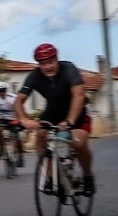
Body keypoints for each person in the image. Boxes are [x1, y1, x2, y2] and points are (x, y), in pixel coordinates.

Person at [14, 43, 95, 196]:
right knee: (41, 136)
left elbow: (79, 95)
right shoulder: (35, 76)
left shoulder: (68, 69)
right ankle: (50, 177)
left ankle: (87, 176)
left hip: (77, 111)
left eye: (51, 62)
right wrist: (24, 119)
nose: (47, 67)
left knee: (79, 144)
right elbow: (18, 101)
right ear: (39, 65)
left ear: (57, 59)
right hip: (53, 112)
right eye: (43, 64)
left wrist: (70, 121)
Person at [0, 81, 24, 166]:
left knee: (17, 138)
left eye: (3, 90)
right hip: (1, 118)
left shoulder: (13, 97)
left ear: (6, 90)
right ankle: (1, 148)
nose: (1, 92)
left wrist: (19, 120)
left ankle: (20, 156)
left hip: (12, 118)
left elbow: (17, 109)